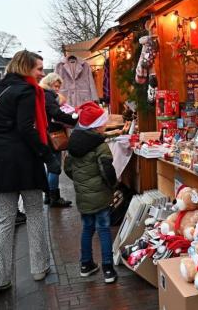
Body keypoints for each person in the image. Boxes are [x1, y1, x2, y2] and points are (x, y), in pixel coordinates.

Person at [0, 50, 61, 296]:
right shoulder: (27, 91)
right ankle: (39, 267)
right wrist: (47, 156)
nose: (42, 73)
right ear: (26, 68)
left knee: (4, 219)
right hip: (24, 160)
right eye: (39, 68)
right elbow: (27, 129)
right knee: (35, 212)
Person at [64, 102, 118, 284]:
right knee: (103, 229)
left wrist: (81, 183)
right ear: (96, 126)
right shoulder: (100, 146)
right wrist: (113, 186)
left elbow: (68, 168)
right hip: (101, 195)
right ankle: (108, 269)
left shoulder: (73, 144)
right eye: (103, 123)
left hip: (83, 196)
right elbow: (107, 171)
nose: (105, 126)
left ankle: (86, 265)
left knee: (87, 228)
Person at [40, 73, 78, 207]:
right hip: (53, 134)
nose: (57, 89)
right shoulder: (48, 95)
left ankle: (48, 196)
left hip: (46, 133)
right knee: (55, 166)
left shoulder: (43, 94)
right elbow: (55, 113)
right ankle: (54, 197)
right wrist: (73, 119)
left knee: (50, 166)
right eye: (55, 86)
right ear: (49, 84)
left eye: (58, 86)